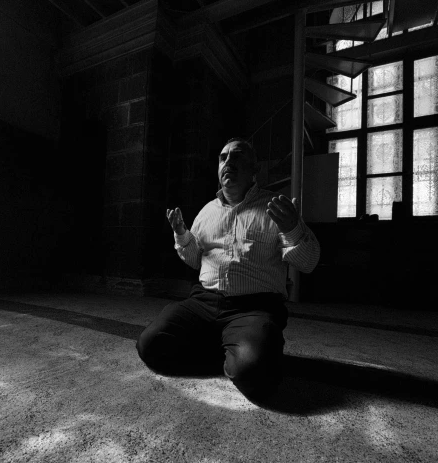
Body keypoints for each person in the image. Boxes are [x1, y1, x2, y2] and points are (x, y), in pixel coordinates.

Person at [136, 137, 320, 401]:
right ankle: (230, 349)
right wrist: (181, 235)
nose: (228, 162)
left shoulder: (276, 208)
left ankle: (246, 351)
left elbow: (309, 262)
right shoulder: (206, 211)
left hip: (254, 308)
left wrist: (293, 228)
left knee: (255, 375)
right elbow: (195, 260)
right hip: (203, 302)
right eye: (223, 157)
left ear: (254, 168)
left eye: (237, 156)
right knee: (150, 346)